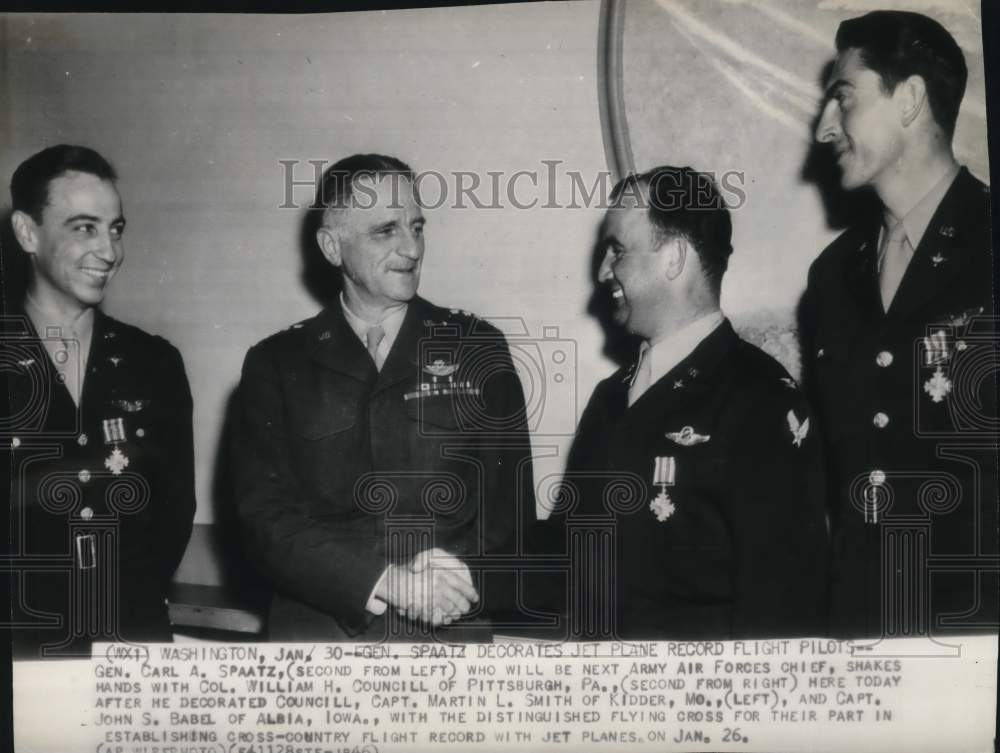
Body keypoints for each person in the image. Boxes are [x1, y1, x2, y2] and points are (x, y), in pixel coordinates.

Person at [230, 154, 533, 641]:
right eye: (385, 230)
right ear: (332, 247)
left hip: (445, 635)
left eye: (417, 226)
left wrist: (462, 575)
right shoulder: (276, 364)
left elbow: (512, 520)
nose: (412, 248)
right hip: (319, 638)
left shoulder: (476, 346)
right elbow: (265, 522)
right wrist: (384, 582)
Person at [550, 166, 828, 640]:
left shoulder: (760, 399)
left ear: (674, 258)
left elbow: (784, 609)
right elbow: (564, 557)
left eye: (617, 249)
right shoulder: (610, 397)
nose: (602, 272)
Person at [803, 10, 997, 638]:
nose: (824, 127)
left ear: (909, 99)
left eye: (843, 98)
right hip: (858, 625)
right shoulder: (832, 276)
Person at [5, 145, 196, 658]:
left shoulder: (154, 362)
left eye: (115, 229)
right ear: (27, 232)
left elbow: (175, 512)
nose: (109, 251)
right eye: (84, 227)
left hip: (129, 636)